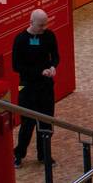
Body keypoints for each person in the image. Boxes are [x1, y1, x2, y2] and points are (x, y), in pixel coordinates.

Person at [11, 9, 59, 168]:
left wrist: (53, 66)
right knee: (27, 123)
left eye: (45, 24)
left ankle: (44, 154)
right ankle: (18, 154)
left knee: (46, 121)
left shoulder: (49, 36)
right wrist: (39, 71)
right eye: (40, 25)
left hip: (45, 85)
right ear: (31, 22)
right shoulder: (21, 39)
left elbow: (55, 56)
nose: (44, 28)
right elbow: (16, 66)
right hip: (26, 85)